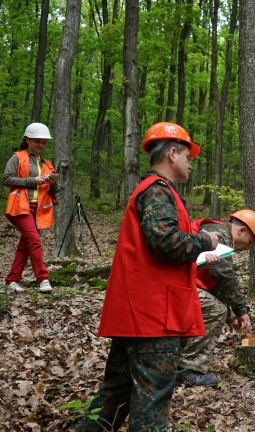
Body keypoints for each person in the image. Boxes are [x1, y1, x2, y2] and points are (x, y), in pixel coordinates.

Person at [77, 122, 221, 432]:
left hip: (140, 311)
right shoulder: (157, 190)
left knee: (116, 392)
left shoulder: (156, 191)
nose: (190, 163)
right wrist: (205, 242)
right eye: (188, 156)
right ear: (172, 154)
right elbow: (165, 242)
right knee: (152, 396)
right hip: (152, 315)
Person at [177, 209, 255, 387]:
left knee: (215, 308)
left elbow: (213, 282)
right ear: (241, 231)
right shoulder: (221, 234)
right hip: (177, 283)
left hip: (184, 282)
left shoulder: (219, 232)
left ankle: (176, 364)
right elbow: (222, 274)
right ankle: (189, 368)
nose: (247, 248)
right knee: (216, 309)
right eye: (249, 242)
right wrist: (241, 310)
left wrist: (231, 316)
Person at [4, 123, 58, 293]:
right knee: (34, 241)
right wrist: (31, 181)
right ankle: (43, 279)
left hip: (39, 210)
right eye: (37, 141)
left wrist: (53, 183)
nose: (41, 145)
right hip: (20, 207)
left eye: (44, 143)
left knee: (26, 246)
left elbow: (54, 190)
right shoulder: (17, 157)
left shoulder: (46, 163)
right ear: (27, 140)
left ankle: (12, 280)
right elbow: (6, 179)